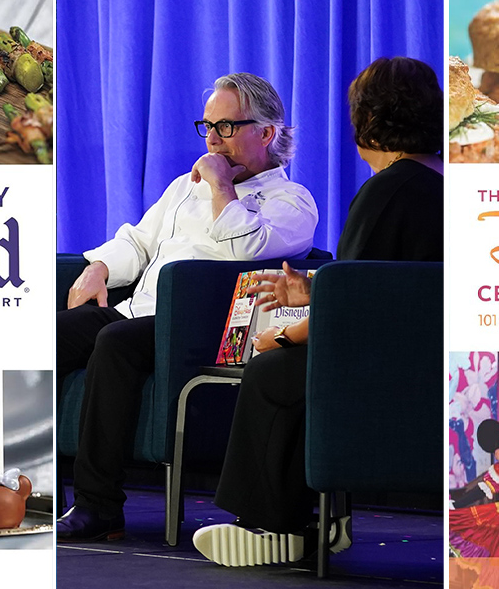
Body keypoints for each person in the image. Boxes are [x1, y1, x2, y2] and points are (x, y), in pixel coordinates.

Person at [192, 56, 444, 567]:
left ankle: (272, 525)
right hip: (430, 358)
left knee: (272, 371)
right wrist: (313, 288)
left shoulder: (386, 192)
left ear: (366, 121)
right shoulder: (443, 181)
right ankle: (319, 520)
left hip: (388, 371)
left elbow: (353, 311)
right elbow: (393, 288)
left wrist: (282, 337)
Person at [56, 72, 319, 541]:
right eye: (208, 127)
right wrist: (97, 267)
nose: (213, 141)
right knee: (49, 334)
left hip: (200, 328)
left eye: (227, 128)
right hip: (137, 314)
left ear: (267, 133)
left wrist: (222, 189)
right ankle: (16, 478)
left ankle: (99, 507)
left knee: (112, 341)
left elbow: (247, 247)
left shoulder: (292, 201)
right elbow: (137, 241)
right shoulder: (183, 187)